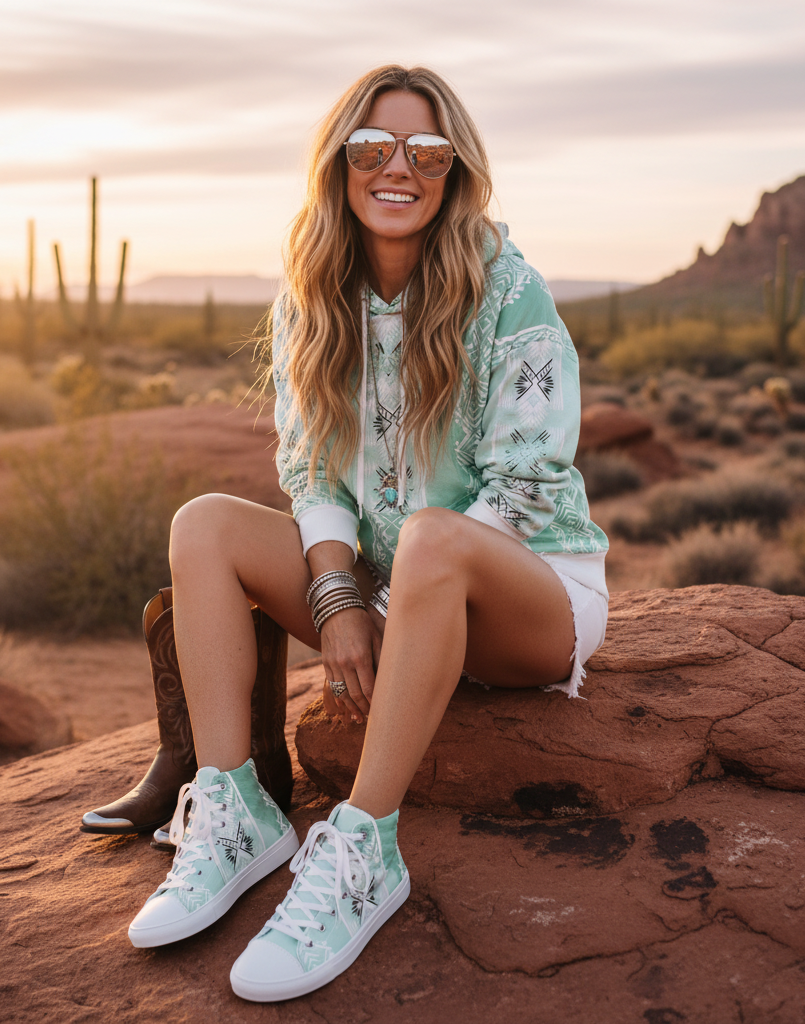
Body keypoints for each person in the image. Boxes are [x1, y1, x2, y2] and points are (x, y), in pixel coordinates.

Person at [125, 64, 609, 1002]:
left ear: (454, 169)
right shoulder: (314, 295)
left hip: (529, 598)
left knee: (432, 538)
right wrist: (340, 596)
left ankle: (362, 850)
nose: (401, 167)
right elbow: (311, 473)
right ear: (340, 165)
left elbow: (525, 483)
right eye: (373, 148)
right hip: (397, 587)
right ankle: (237, 815)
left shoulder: (511, 291)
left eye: (427, 150)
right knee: (205, 528)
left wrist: (386, 601)